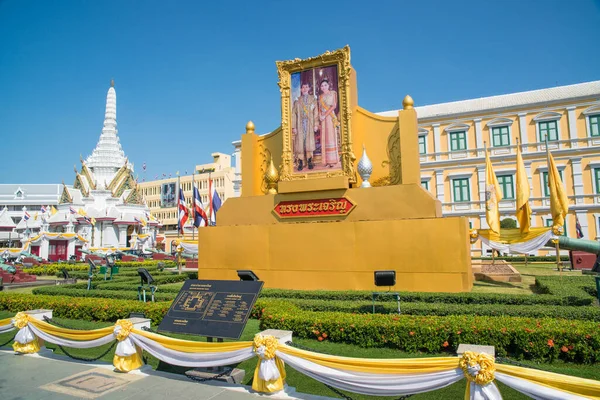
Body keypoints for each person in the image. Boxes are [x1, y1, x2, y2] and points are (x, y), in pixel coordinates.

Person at [291, 82, 318, 171]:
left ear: (309, 88)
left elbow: (316, 114)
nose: (305, 89)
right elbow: (293, 114)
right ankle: (301, 161)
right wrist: (294, 127)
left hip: (309, 124)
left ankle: (310, 160)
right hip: (300, 124)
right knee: (300, 143)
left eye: (306, 87)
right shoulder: (297, 101)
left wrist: (315, 124)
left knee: (309, 142)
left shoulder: (313, 100)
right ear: (301, 89)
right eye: (303, 87)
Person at [318, 79, 340, 167]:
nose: (324, 87)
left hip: (330, 117)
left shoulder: (333, 93)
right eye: (322, 86)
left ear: (328, 85)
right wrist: (320, 115)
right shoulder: (320, 96)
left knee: (331, 137)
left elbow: (334, 106)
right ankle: (327, 161)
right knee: (325, 138)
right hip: (323, 119)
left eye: (325, 85)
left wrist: (325, 115)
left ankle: (333, 161)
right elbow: (319, 107)